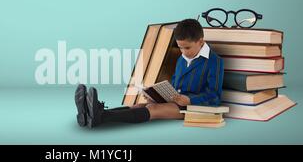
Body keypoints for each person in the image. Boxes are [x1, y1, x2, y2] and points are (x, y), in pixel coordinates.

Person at [75, 19, 224, 128]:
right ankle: (93, 113)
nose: (183, 52)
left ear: (200, 41)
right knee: (138, 106)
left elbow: (215, 96)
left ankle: (96, 116)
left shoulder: (214, 62)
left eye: (187, 48)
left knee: (152, 109)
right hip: (174, 101)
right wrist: (157, 94)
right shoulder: (182, 58)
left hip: (191, 107)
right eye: (180, 48)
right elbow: (175, 84)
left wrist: (190, 100)